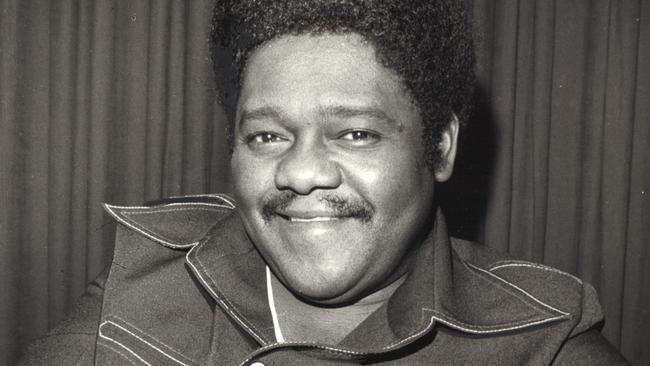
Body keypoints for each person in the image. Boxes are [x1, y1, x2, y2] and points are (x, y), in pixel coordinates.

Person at [20, 1, 629, 365]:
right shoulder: (146, 274)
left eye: (355, 133)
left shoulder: (541, 343)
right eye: (267, 136)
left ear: (438, 148)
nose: (301, 171)